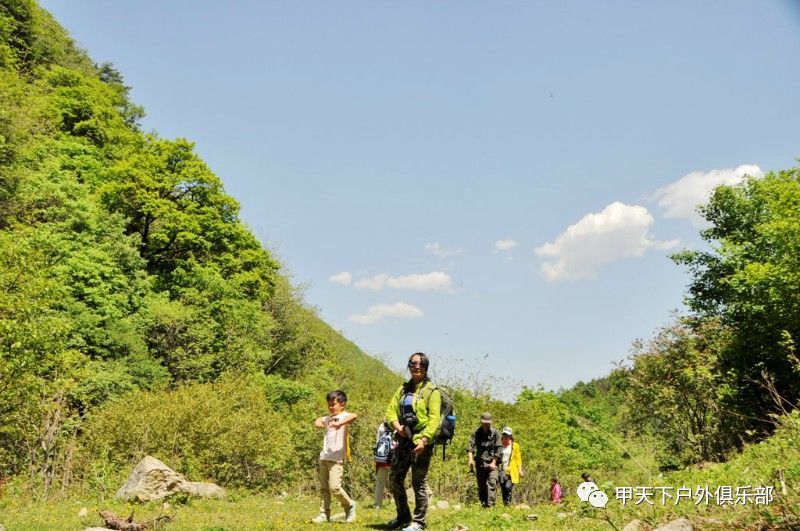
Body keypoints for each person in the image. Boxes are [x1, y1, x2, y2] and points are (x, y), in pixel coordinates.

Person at [384, 352, 442, 531]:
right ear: (409, 365)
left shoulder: (432, 391)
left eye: (421, 364)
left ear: (426, 368)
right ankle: (403, 517)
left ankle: (419, 522)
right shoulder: (402, 389)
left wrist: (424, 440)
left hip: (421, 443)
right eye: (413, 363)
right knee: (395, 478)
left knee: (419, 482)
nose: (417, 367)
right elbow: (390, 411)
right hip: (403, 439)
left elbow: (434, 419)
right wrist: (397, 427)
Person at [311, 390, 358, 524]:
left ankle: (349, 505)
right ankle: (324, 514)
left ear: (342, 404)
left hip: (336, 459)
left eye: (333, 404)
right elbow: (317, 421)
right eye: (329, 405)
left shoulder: (344, 416)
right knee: (324, 488)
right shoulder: (328, 418)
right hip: (324, 457)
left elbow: (354, 416)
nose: (331, 407)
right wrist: (321, 423)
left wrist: (340, 423)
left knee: (335, 487)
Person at [467, 412, 502, 508]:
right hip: (480, 463)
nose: (486, 425)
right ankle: (483, 506)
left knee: (492, 482)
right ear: (481, 422)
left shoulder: (496, 433)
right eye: (484, 423)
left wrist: (494, 462)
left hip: (493, 463)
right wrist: (470, 459)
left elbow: (499, 449)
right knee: (482, 487)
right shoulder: (476, 433)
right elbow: (470, 447)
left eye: (488, 423)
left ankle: (490, 506)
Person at [498, 426, 523, 505]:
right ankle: (506, 506)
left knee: (508, 487)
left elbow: (518, 459)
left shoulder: (515, 446)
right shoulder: (499, 444)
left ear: (511, 436)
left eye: (508, 435)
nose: (506, 437)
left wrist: (520, 470)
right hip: (501, 470)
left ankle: (508, 504)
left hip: (511, 471)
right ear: (502, 435)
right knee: (503, 489)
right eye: (504, 435)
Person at [374, 421, 395, 508]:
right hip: (395, 456)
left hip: (382, 457)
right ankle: (395, 502)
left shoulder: (382, 425)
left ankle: (377, 504)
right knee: (397, 480)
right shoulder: (401, 425)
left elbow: (377, 441)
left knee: (380, 481)